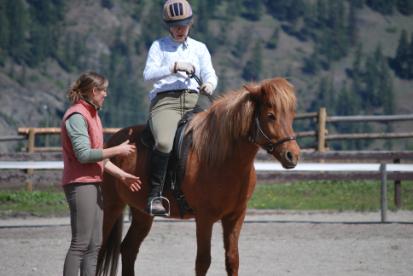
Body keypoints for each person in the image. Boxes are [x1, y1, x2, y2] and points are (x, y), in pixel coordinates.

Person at [61, 72, 142, 276]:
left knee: (95, 245)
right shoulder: (77, 116)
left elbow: (99, 157)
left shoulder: (92, 115)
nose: (106, 94)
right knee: (80, 244)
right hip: (80, 184)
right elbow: (84, 154)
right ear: (93, 91)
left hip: (93, 182)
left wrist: (122, 176)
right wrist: (118, 150)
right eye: (103, 90)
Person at [143, 0, 218, 216]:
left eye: (183, 25)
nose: (179, 29)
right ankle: (154, 196)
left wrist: (209, 84)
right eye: (175, 25)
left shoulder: (199, 48)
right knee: (165, 142)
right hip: (166, 102)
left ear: (190, 24)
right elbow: (148, 74)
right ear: (168, 25)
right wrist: (173, 67)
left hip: (192, 102)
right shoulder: (159, 46)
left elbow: (210, 72)